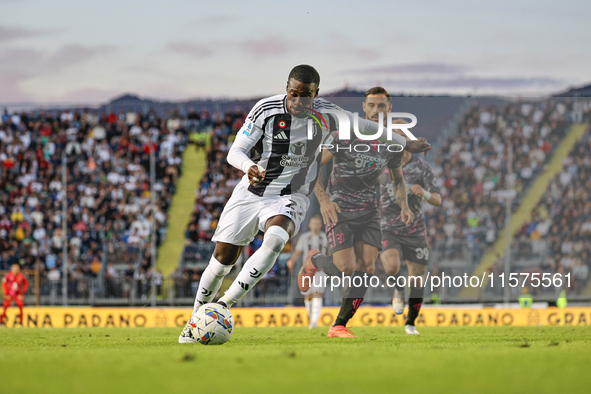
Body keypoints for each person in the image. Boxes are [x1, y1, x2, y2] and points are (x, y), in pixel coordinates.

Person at [179, 67, 430, 343]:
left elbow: (369, 128)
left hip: (292, 195)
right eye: (294, 94)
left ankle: (225, 304)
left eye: (306, 96)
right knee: (221, 262)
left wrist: (407, 143)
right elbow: (235, 151)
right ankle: (195, 320)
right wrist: (248, 165)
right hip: (252, 191)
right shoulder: (265, 109)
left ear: (316, 94)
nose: (299, 102)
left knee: (275, 240)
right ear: (287, 87)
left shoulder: (328, 114)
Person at [298, 87, 419, 338]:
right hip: (339, 209)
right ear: (364, 107)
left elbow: (398, 179)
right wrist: (323, 201)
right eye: (371, 106)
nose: (376, 111)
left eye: (381, 106)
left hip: (368, 212)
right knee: (345, 267)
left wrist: (404, 205)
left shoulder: (392, 142)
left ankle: (339, 325)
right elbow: (313, 165)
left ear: (389, 109)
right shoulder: (344, 133)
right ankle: (313, 260)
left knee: (367, 267)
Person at [378, 115, 442, 335]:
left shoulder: (421, 166)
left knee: (416, 278)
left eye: (405, 134)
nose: (401, 137)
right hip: (387, 225)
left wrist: (423, 193)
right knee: (391, 267)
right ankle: (397, 287)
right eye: (397, 133)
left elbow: (438, 199)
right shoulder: (380, 161)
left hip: (414, 228)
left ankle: (411, 323)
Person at [291, 215, 328, 328]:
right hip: (307, 271)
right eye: (313, 223)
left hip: (320, 271)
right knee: (308, 295)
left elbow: (330, 252)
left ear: (321, 225)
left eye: (318, 223)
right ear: (309, 225)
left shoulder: (325, 237)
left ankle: (314, 321)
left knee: (318, 294)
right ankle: (311, 316)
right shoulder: (304, 237)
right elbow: (298, 252)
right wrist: (291, 261)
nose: (315, 225)